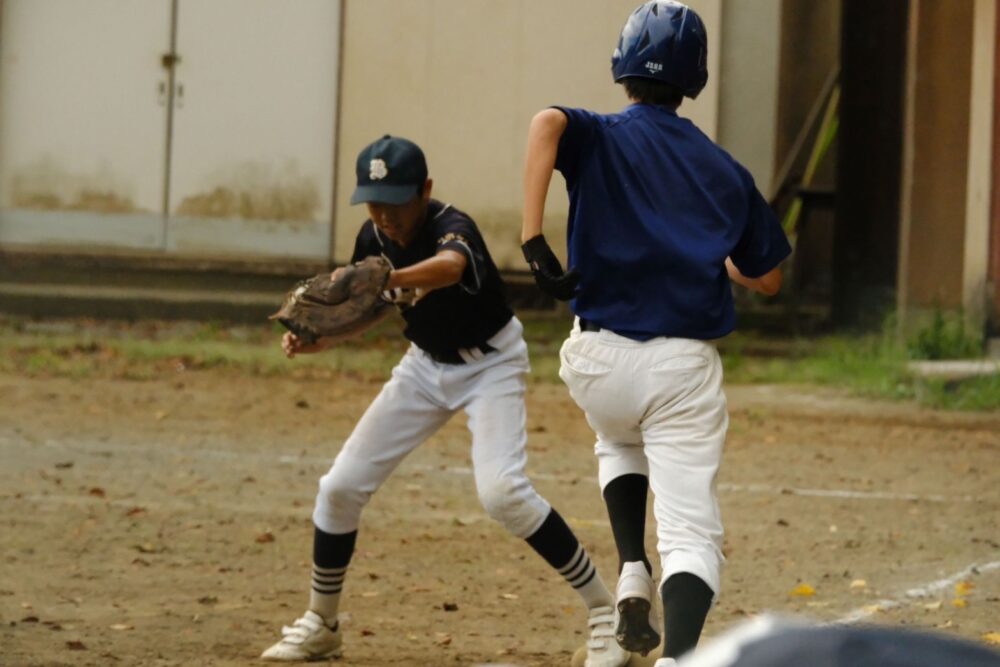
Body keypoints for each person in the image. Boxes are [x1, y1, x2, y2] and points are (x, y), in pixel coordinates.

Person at [260, 134, 630, 667]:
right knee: (339, 487)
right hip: (424, 367)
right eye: (374, 203)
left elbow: (449, 268)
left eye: (395, 202)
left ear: (425, 190)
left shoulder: (452, 227)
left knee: (503, 493)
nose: (384, 216)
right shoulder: (373, 238)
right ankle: (322, 623)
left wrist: (385, 278)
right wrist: (323, 339)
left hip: (491, 365)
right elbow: (371, 308)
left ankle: (604, 611)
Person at [518, 3, 792, 666]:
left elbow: (545, 122)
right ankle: (679, 657)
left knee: (617, 436)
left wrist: (532, 238)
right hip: (678, 368)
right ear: (692, 78)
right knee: (693, 534)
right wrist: (727, 261)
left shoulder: (601, 135)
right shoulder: (726, 171)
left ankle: (632, 565)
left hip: (597, 360)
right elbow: (772, 278)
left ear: (624, 68)